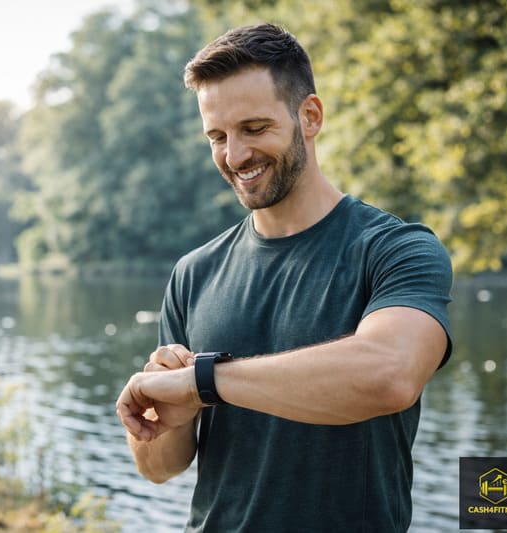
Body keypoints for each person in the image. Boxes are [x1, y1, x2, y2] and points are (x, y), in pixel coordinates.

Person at [115, 22, 453, 532]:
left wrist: (203, 382)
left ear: (310, 116)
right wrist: (167, 417)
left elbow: (389, 375)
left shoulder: (396, 250)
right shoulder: (193, 272)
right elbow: (161, 468)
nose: (234, 156)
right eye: (217, 136)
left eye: (254, 129)